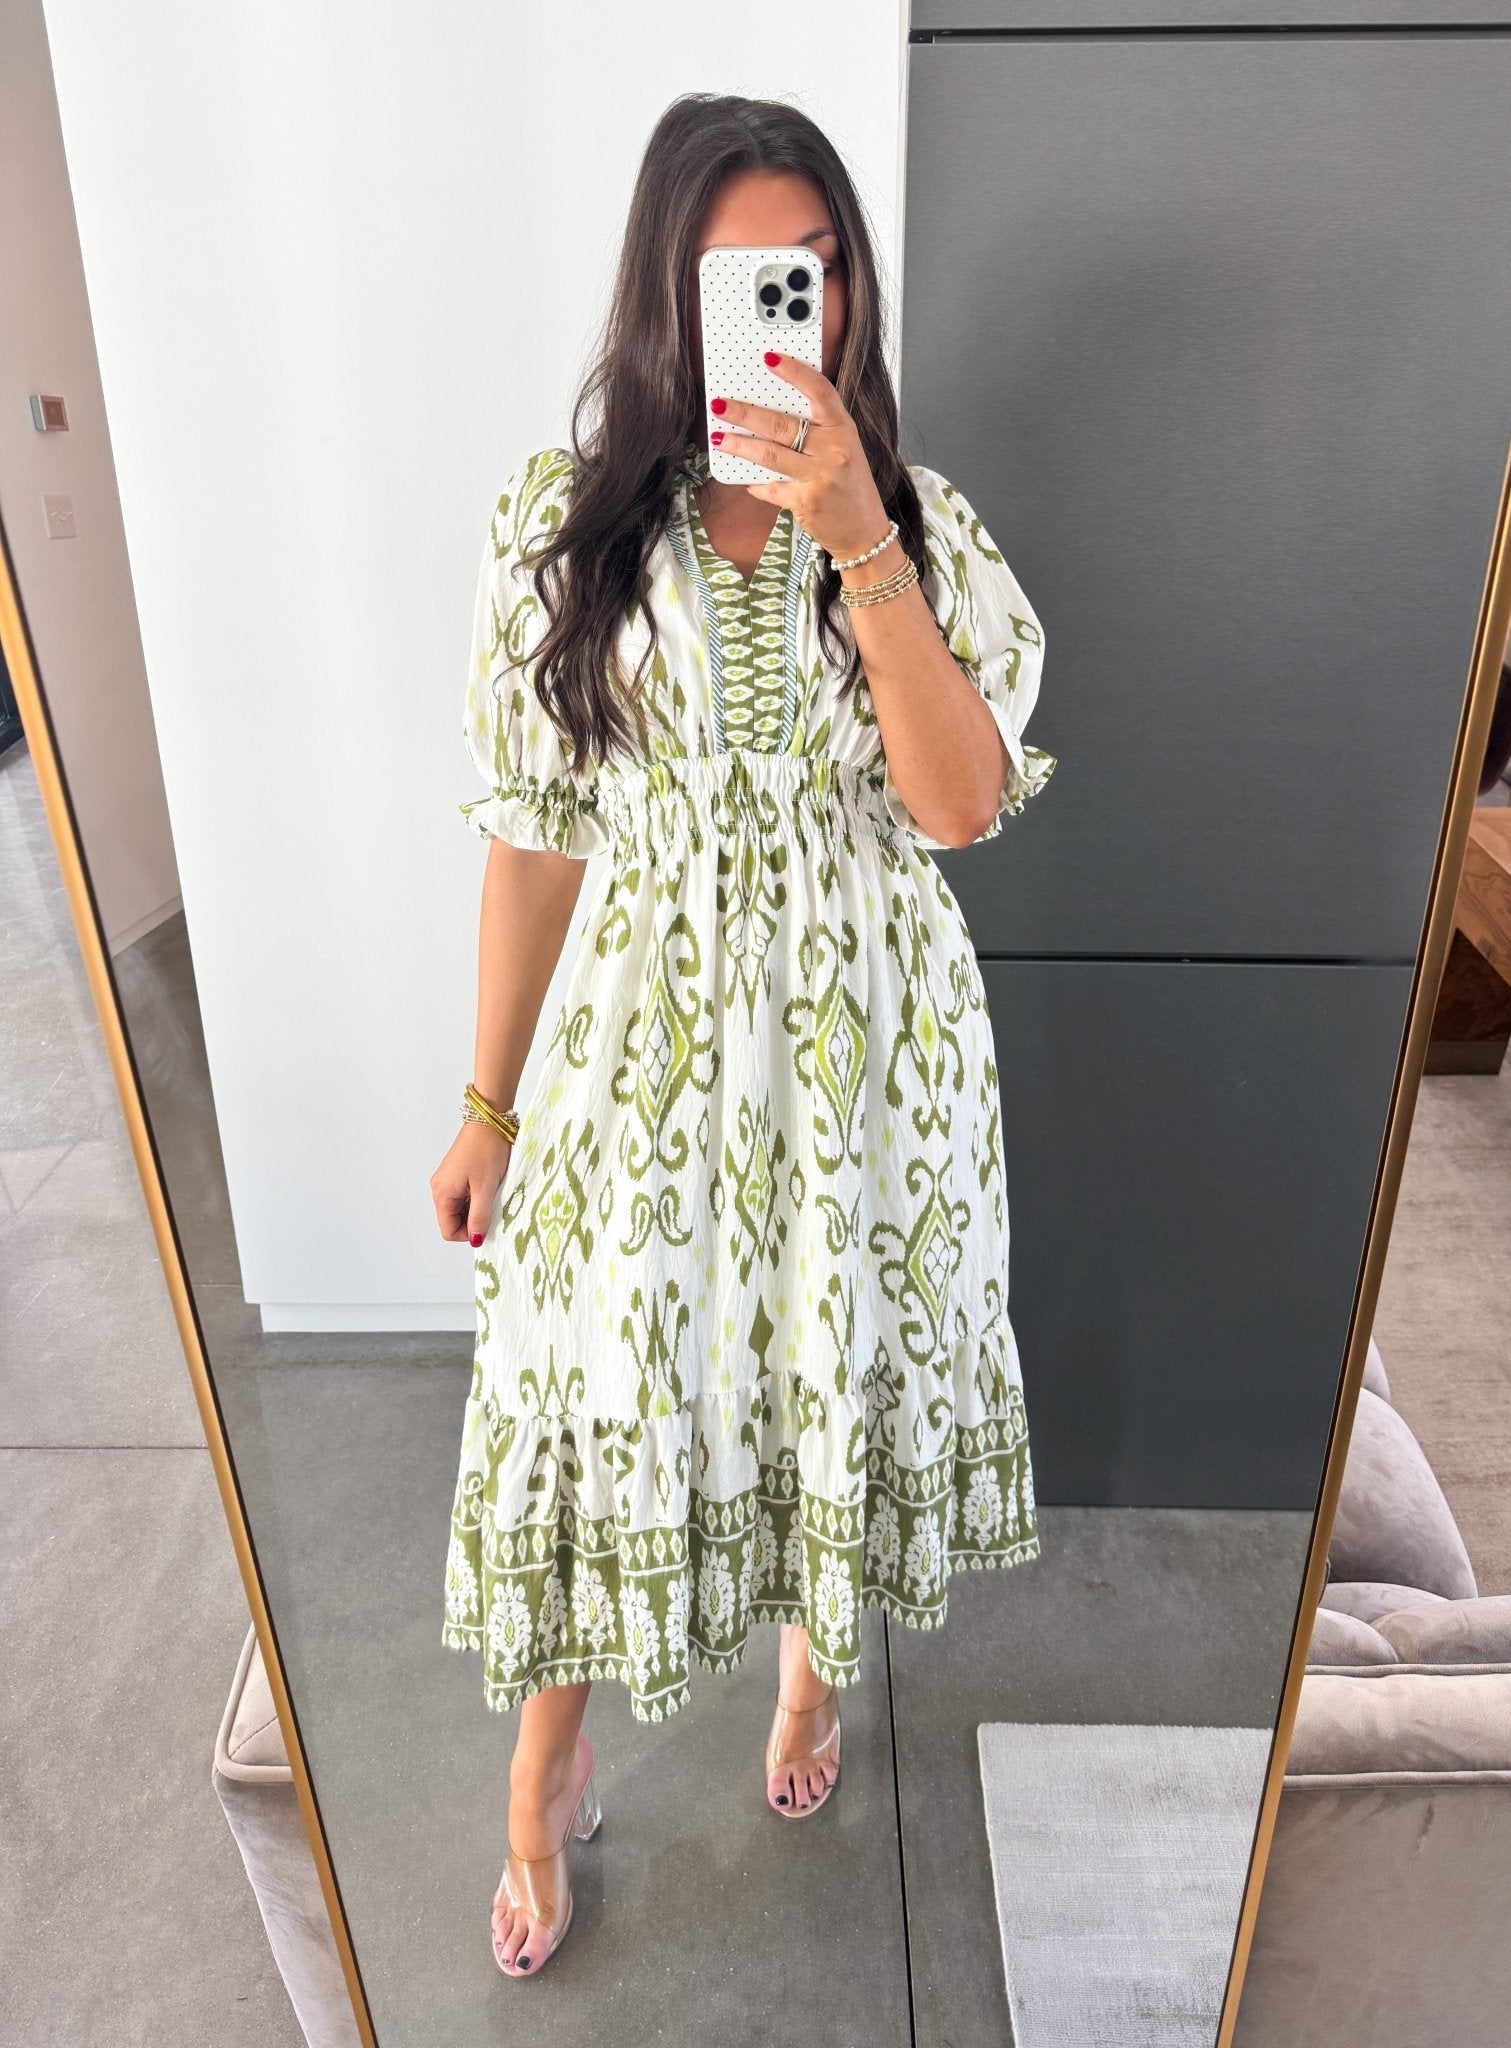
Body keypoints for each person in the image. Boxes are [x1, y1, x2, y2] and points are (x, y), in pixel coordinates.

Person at [429, 90, 1058, 1979]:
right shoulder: (564, 526)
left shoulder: (928, 531)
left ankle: (806, 1681)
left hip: (871, 1062)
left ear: (851, 286)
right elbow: (535, 837)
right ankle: (542, 1767)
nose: (794, 309)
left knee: (820, 1373)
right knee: (595, 1396)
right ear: (670, 296)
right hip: (642, 1054)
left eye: (819, 268)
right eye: (743, 278)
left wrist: (859, 535)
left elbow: (960, 807)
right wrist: (486, 1104)